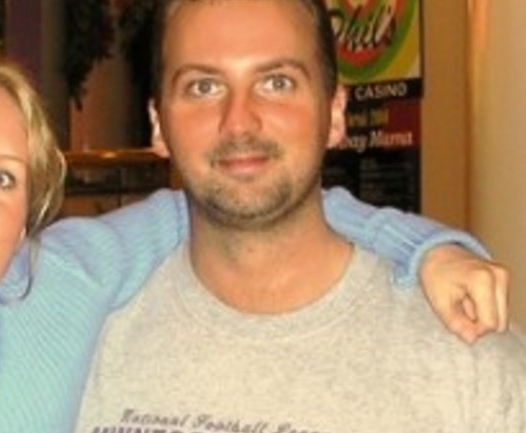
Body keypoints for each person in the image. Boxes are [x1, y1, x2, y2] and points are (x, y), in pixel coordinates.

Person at [0, 38, 508, 432]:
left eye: (2, 178)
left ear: (26, 214)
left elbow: (232, 195)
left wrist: (418, 244)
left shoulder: (49, 293)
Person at [76, 0, 526, 431]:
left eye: (276, 83)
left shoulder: (468, 361)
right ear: (158, 124)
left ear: (335, 113)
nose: (239, 122)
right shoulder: (80, 350)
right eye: (203, 87)